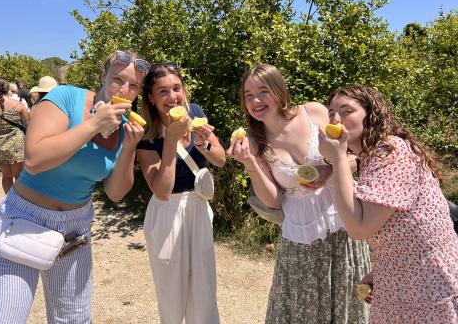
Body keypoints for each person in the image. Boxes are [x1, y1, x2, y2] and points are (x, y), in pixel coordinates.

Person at [0, 50, 149, 324]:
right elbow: (34, 160)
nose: (125, 91)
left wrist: (129, 147)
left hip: (74, 230)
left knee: (73, 320)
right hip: (23, 217)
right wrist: (93, 124)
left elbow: (116, 193)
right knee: (2, 318)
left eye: (134, 86)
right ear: (103, 75)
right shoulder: (67, 97)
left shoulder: (125, 126)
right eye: (118, 80)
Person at [227, 64, 370, 323]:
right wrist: (250, 164)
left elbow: (356, 157)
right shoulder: (254, 139)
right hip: (300, 232)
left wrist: (330, 170)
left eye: (263, 91)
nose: (256, 101)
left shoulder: (313, 112)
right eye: (248, 95)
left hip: (343, 218)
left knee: (347, 298)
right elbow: (272, 199)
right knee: (304, 307)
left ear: (279, 90)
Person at [318, 85, 458, 323]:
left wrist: (338, 158)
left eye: (346, 110)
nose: (336, 118)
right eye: (331, 113)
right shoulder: (372, 156)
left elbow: (359, 228)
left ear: (371, 115)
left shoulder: (391, 152)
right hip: (400, 276)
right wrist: (381, 270)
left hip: (429, 281)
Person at [136, 62, 226, 324]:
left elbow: (220, 159)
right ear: (151, 99)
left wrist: (203, 142)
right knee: (172, 296)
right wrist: (172, 140)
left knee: (204, 291)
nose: (172, 97)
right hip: (167, 214)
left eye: (176, 88)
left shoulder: (195, 112)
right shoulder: (146, 134)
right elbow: (162, 191)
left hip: (198, 207)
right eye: (163, 92)